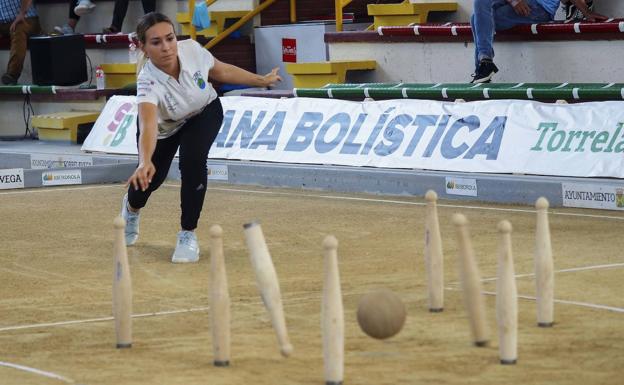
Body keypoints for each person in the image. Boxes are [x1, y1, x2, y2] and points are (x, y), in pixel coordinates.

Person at [122, 12, 281, 263]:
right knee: (152, 179)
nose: (166, 47)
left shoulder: (192, 50)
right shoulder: (147, 82)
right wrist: (144, 161)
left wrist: (261, 79)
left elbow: (223, 71)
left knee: (193, 161)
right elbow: (148, 123)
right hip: (165, 128)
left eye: (170, 38)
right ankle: (131, 210)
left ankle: (187, 234)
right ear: (143, 47)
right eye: (156, 42)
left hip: (203, 111)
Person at [469, 0, 607, 83]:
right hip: (515, 5)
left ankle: (483, 68)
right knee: (478, 11)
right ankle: (485, 62)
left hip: (539, 9)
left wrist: (586, 12)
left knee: (477, 18)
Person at [0, 0, 41, 85]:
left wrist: (22, 13)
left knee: (18, 30)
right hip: (3, 23)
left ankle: (12, 75)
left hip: (26, 18)